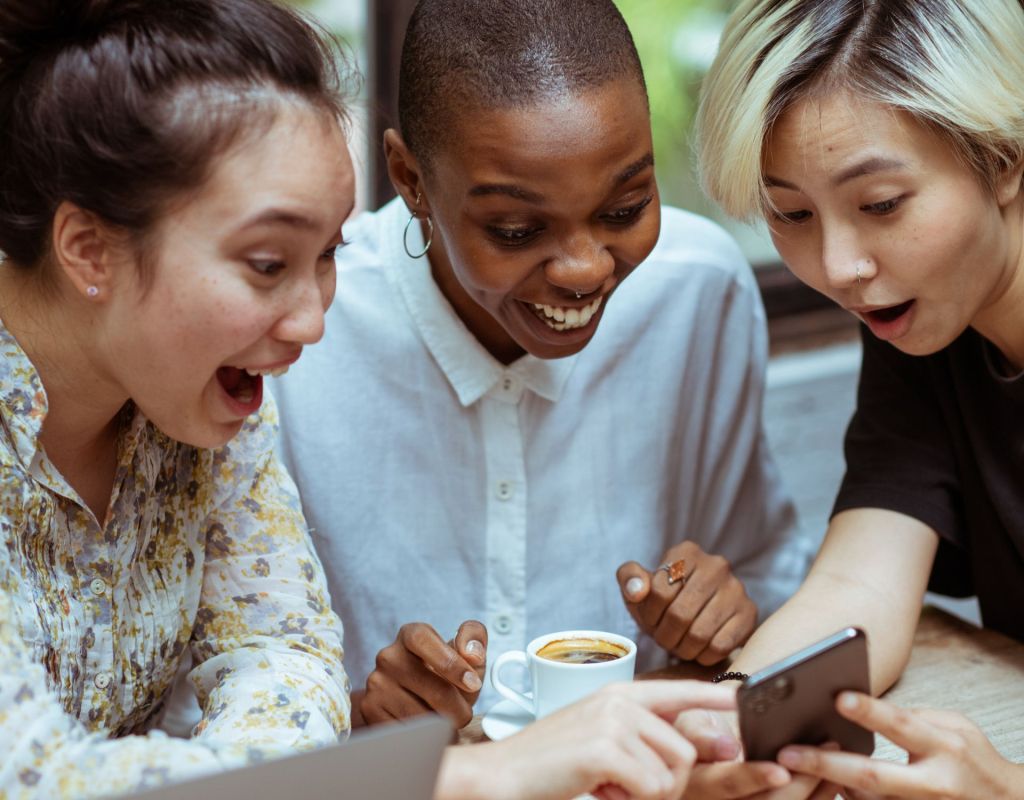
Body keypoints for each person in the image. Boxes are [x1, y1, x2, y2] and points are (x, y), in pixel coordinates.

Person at [0, 1, 742, 798]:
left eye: (325, 256)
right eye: (264, 263)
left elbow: (285, 662)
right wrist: (478, 775)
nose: (315, 320)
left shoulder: (195, 403)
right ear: (88, 249)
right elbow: (36, 775)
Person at [271, 0, 811, 729]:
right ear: (410, 179)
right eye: (517, 229)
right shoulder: (302, 345)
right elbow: (223, 689)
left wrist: (722, 615)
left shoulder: (696, 292)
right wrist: (356, 716)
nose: (585, 269)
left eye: (625, 208)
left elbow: (768, 582)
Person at [689, 0, 1024, 797]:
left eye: (880, 205)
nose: (839, 266)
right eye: (791, 213)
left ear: (1005, 154)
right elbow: (857, 589)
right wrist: (724, 726)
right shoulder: (927, 321)